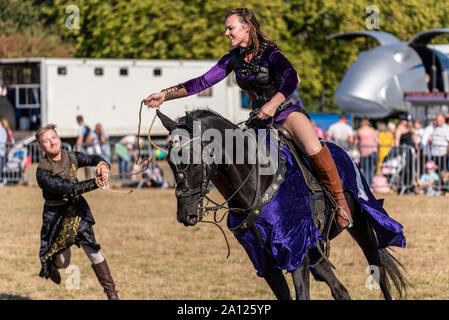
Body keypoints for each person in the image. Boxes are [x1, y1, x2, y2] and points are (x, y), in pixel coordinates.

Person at [143, 8, 353, 229]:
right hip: (258, 120)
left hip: (286, 112)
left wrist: (273, 104)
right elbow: (202, 82)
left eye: (230, 27)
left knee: (312, 148)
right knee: (233, 159)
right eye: (226, 28)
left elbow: (293, 78)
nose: (226, 33)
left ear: (247, 27)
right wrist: (165, 95)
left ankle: (340, 205)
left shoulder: (270, 52)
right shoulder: (233, 58)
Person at [35, 124, 119, 300]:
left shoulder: (70, 156)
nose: (52, 142)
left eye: (54, 137)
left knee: (93, 250)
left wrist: (102, 165)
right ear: (40, 147)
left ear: (59, 138)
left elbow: (92, 158)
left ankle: (112, 294)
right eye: (46, 141)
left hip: (77, 211)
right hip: (56, 217)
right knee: (64, 263)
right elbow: (67, 188)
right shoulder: (42, 171)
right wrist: (95, 183)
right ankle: (53, 266)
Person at [355, 118, 378, 187]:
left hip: (364, 151)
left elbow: (355, 142)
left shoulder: (359, 131)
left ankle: (368, 185)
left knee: (365, 169)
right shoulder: (372, 130)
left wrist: (358, 148)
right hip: (373, 150)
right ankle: (370, 184)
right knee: (371, 168)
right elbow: (377, 140)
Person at [0, 121, 6, 186]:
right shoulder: (2, 129)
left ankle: (2, 180)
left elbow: (2, 140)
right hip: (1, 151)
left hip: (1, 151)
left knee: (1, 167)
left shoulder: (2, 130)